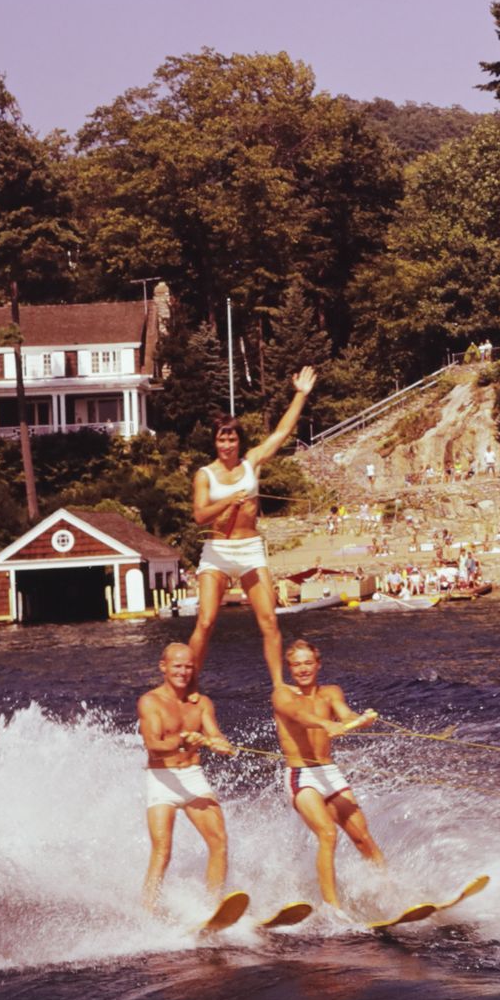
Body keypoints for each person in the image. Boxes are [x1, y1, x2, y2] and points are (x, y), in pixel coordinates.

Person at [188, 366, 317, 688]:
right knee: (205, 621)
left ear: (238, 440)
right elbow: (200, 515)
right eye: (222, 439)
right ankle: (188, 685)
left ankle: (278, 686)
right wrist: (229, 500)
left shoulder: (251, 463)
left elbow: (281, 432)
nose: (228, 444)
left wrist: (300, 394)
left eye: (232, 438)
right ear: (215, 442)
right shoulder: (205, 474)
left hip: (250, 550)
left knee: (270, 619)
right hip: (217, 552)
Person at [272, 638, 384, 909]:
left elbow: (345, 714)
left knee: (362, 836)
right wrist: (325, 724)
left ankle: (386, 891)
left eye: (308, 663)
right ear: (289, 668)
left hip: (329, 773)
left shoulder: (331, 692)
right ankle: (332, 908)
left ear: (318, 664)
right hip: (301, 776)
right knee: (327, 833)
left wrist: (360, 720)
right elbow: (300, 716)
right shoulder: (282, 695)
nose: (303, 669)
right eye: (296, 664)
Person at [139, 642, 235, 914]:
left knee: (219, 840)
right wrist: (181, 741)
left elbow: (215, 734)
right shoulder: (150, 701)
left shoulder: (202, 703)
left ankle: (213, 907)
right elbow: (154, 744)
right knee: (162, 850)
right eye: (177, 666)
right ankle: (148, 910)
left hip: (192, 777)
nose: (183, 672)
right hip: (162, 778)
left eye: (188, 667)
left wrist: (220, 744)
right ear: (164, 667)